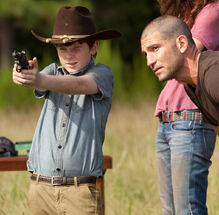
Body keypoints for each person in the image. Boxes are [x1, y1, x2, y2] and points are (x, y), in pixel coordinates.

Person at [13, 5, 121, 215]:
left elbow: (79, 85)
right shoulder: (52, 72)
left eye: (76, 48)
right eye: (62, 49)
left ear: (94, 47)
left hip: (80, 191)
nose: (69, 55)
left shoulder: (102, 73)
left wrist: (39, 78)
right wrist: (23, 74)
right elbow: (39, 82)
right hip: (40, 189)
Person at [141, 13, 219, 215]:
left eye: (155, 49)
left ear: (182, 43)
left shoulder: (213, 75)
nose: (149, 61)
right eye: (145, 54)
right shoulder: (191, 87)